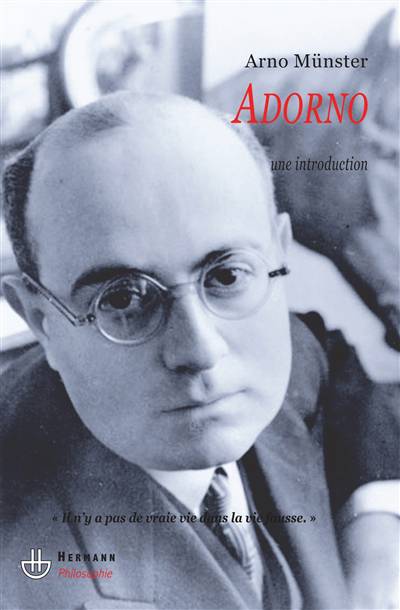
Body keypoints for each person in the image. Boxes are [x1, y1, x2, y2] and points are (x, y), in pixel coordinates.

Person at [1, 92, 398, 610]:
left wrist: (376, 526)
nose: (202, 349)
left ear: (278, 252)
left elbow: (327, 358)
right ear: (40, 320)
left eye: (226, 276)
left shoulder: (279, 353)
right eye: (121, 299)